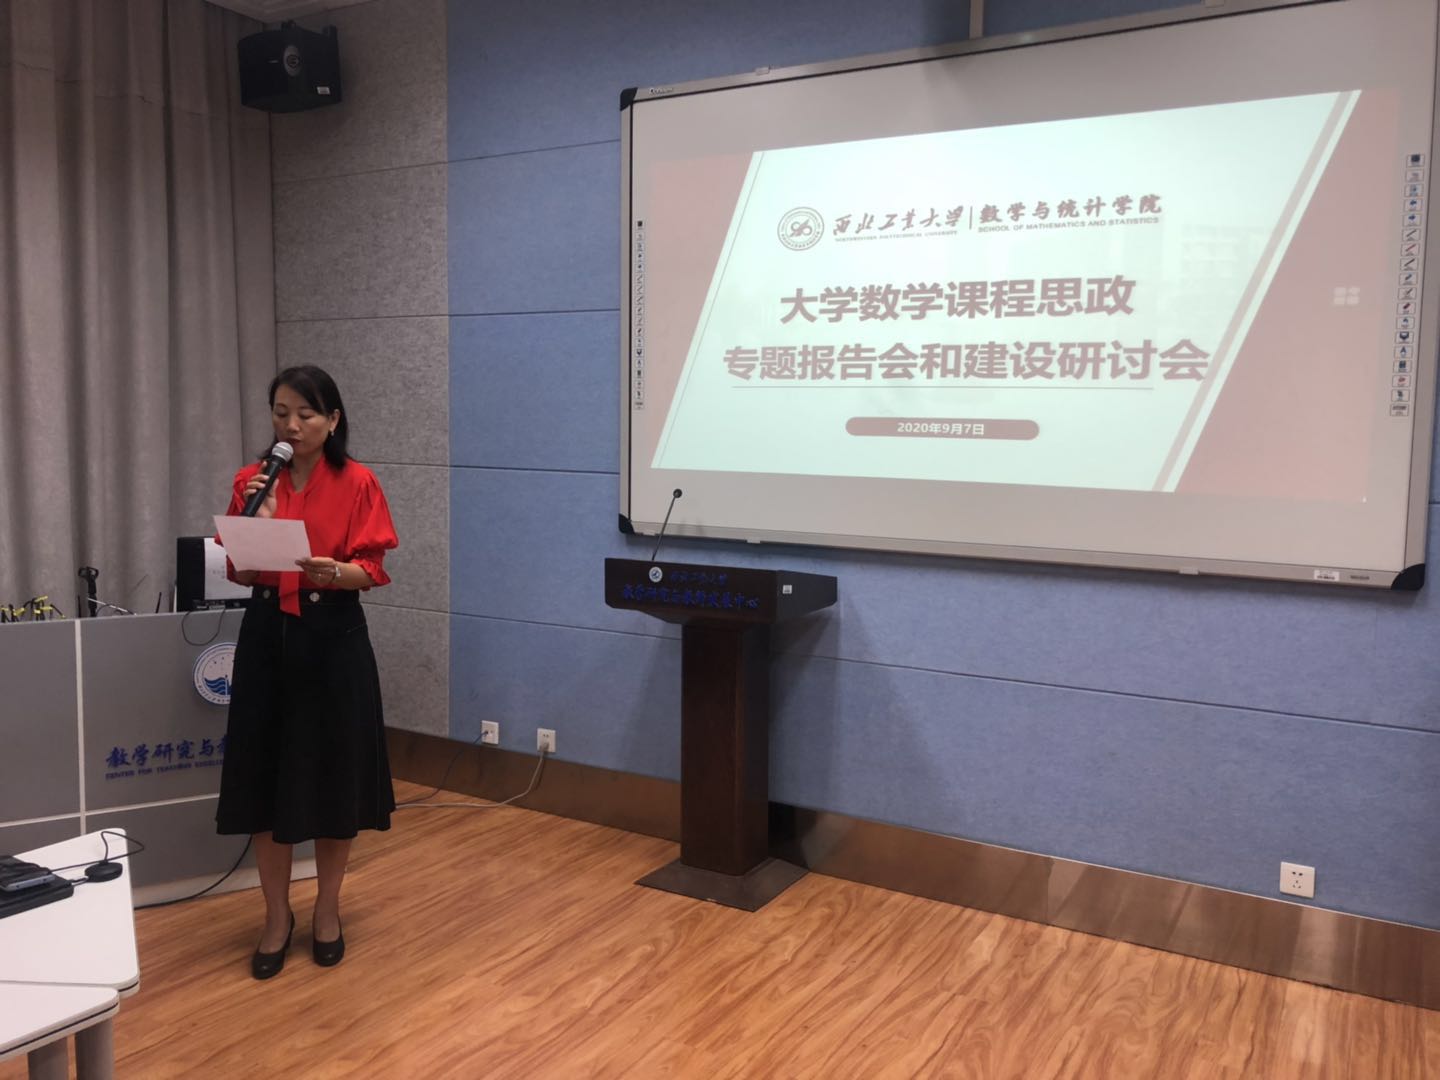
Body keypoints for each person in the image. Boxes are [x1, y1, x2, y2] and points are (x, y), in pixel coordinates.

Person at [215, 365, 399, 980]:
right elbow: (240, 571)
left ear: (333, 420)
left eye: (306, 414)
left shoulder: (358, 481)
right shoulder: (251, 481)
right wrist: (257, 525)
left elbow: (372, 568)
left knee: (333, 777)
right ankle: (276, 915)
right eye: (281, 413)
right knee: (267, 778)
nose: (291, 425)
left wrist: (335, 572)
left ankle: (326, 909)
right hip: (268, 634)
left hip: (333, 635)